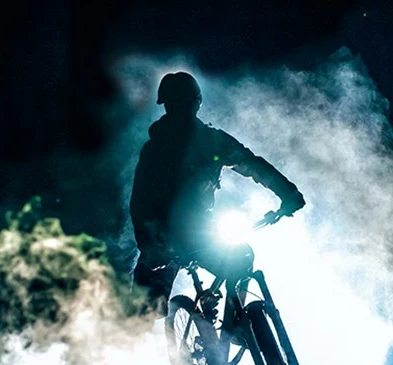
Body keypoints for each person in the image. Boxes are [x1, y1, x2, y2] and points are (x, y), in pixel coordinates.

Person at [129, 72, 305, 315]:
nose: (180, 109)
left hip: (200, 232)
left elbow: (251, 164)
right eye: (176, 103)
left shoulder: (211, 141)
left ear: (196, 103)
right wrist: (151, 244)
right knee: (142, 315)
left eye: (183, 102)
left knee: (241, 259)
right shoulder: (158, 150)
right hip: (163, 238)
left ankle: (237, 324)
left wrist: (288, 193)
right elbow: (140, 202)